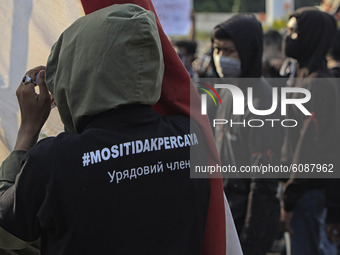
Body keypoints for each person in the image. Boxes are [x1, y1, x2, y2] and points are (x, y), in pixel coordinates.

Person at [0, 3, 241, 254]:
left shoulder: (53, 161)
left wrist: (27, 130)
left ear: (76, 68)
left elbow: (6, 233)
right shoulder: (192, 137)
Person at [209, 13, 283, 255]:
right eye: (217, 50)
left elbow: (263, 182)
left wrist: (250, 241)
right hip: (231, 214)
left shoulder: (262, 102)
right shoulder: (230, 91)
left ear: (248, 51)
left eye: (228, 51)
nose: (220, 58)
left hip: (250, 226)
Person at [280, 7, 339, 255]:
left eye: (294, 32)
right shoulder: (301, 79)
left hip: (308, 194)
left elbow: (309, 149)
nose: (288, 38)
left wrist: (290, 199)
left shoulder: (318, 84)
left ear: (312, 36)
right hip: (300, 191)